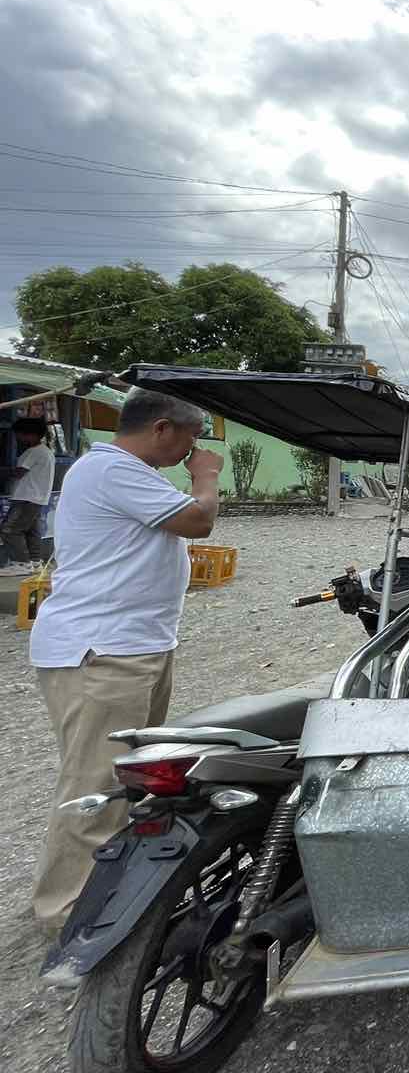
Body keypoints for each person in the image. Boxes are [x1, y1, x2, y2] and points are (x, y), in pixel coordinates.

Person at [29, 388, 222, 934]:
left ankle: (105, 894)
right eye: (192, 437)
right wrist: (206, 476)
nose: (194, 449)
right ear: (163, 429)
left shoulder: (123, 472)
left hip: (132, 647)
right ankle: (67, 917)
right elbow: (198, 521)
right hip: (102, 652)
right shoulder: (111, 469)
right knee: (96, 786)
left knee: (130, 780)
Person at [1, 418, 54, 574]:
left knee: (9, 530)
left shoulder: (35, 452)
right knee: (32, 531)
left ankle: (21, 563)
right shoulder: (46, 452)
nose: (18, 438)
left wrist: (5, 472)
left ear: (31, 435)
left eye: (20, 435)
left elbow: (20, 472)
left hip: (27, 498)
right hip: (36, 498)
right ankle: (35, 561)